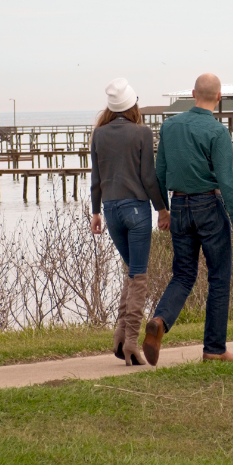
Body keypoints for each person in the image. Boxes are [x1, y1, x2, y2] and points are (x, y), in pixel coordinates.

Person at [144, 73, 233, 365]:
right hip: (209, 206)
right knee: (218, 277)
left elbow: (158, 173)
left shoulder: (170, 126)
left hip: (178, 205)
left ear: (192, 93)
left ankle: (160, 321)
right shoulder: (217, 132)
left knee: (183, 274)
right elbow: (226, 180)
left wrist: (162, 210)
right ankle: (214, 349)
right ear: (219, 97)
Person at [89, 78, 169, 365]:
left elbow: (96, 179)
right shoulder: (142, 133)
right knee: (138, 275)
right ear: (133, 104)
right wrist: (162, 209)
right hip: (136, 210)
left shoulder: (98, 134)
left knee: (131, 274)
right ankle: (132, 343)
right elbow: (148, 177)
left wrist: (96, 212)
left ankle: (121, 337)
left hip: (110, 210)